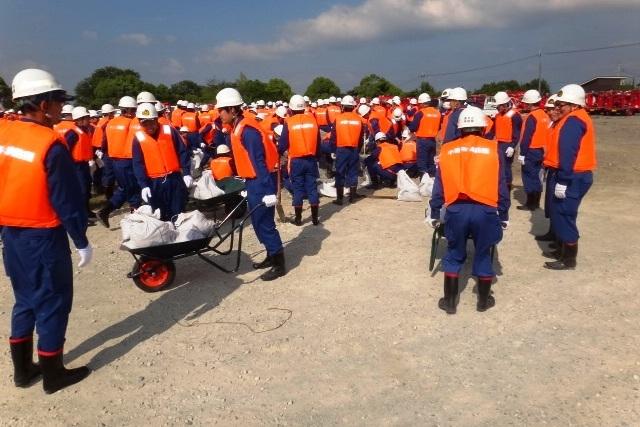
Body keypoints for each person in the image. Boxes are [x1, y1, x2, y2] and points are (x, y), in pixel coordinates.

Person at [0, 68, 91, 393]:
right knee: (52, 300)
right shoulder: (50, 144)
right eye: (57, 101)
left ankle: (23, 371)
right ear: (41, 104)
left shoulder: (4, 132)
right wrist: (81, 240)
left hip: (11, 234)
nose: (60, 108)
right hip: (42, 235)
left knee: (24, 300)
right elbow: (67, 200)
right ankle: (53, 374)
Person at [428, 106, 510, 314]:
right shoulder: (494, 148)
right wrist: (504, 212)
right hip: (486, 209)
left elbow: (440, 185)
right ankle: (483, 302)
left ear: (460, 128)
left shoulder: (447, 149)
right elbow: (502, 184)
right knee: (483, 254)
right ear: (483, 127)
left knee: (454, 254)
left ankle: (449, 303)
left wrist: (435, 211)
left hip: (457, 208)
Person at [215, 87, 286, 281]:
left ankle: (279, 263)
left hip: (261, 180)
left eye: (221, 110)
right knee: (257, 222)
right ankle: (272, 255)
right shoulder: (238, 126)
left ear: (232, 109)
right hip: (253, 180)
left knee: (264, 223)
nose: (218, 114)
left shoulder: (247, 130)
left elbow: (259, 161)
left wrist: (268, 190)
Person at [542, 84, 596, 270]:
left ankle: (569, 259)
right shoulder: (573, 118)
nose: (558, 108)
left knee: (565, 214)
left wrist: (563, 180)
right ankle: (563, 250)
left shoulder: (573, 121)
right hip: (573, 174)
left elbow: (568, 152)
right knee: (560, 213)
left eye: (562, 104)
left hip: (572, 176)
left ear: (574, 104)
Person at [131, 103, 192, 221]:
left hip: (174, 179)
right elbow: (138, 164)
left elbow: (182, 152)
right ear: (139, 122)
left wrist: (186, 172)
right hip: (154, 183)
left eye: (151, 122)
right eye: (145, 123)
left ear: (156, 119)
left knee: (178, 213)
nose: (149, 126)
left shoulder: (169, 131)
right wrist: (143, 185)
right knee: (160, 216)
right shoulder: (138, 138)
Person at [96, 96, 141, 227]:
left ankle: (104, 212)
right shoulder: (132, 123)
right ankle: (136, 222)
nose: (134, 113)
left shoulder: (110, 123)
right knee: (134, 190)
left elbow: (104, 142)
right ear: (127, 110)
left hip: (114, 161)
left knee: (124, 189)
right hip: (128, 161)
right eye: (133, 110)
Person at [278, 94, 322, 226]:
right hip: (311, 160)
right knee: (312, 188)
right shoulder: (313, 121)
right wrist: (317, 157)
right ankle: (315, 219)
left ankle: (298, 219)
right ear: (304, 107)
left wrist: (280, 152)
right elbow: (318, 143)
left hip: (296, 161)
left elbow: (282, 145)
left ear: (290, 109)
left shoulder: (289, 122)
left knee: (297, 189)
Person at [517, 90, 550, 210]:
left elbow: (527, 137)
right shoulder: (545, 115)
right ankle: (536, 202)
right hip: (541, 150)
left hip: (531, 151)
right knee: (537, 176)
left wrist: (522, 153)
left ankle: (530, 204)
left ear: (529, 103)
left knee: (528, 176)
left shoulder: (532, 117)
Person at [329, 95, 365, 205]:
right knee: (353, 172)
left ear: (343, 106)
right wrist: (357, 149)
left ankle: (340, 199)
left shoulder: (338, 119)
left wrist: (333, 150)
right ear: (353, 106)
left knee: (340, 172)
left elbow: (333, 137)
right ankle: (353, 196)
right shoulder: (358, 119)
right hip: (354, 149)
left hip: (341, 149)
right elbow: (361, 137)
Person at [66, 106, 97, 224]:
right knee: (81, 190)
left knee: (87, 188)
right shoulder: (72, 133)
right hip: (76, 166)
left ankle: (86, 211)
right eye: (85, 118)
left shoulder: (85, 130)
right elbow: (66, 149)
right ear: (78, 120)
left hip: (84, 164)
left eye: (87, 117)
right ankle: (82, 216)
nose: (88, 120)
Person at [489, 91, 522, 191]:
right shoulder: (498, 116)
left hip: (508, 145)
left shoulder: (515, 116)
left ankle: (507, 186)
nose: (497, 109)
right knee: (499, 166)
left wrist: (512, 146)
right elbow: (492, 131)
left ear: (504, 105)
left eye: (498, 106)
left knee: (506, 167)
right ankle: (501, 185)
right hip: (499, 144)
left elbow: (517, 133)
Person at [408, 92, 441, 177]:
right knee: (431, 161)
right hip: (433, 140)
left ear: (422, 103)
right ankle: (432, 178)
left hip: (422, 141)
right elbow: (439, 126)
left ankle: (424, 181)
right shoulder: (437, 113)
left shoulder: (420, 113)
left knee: (422, 161)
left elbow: (413, 128)